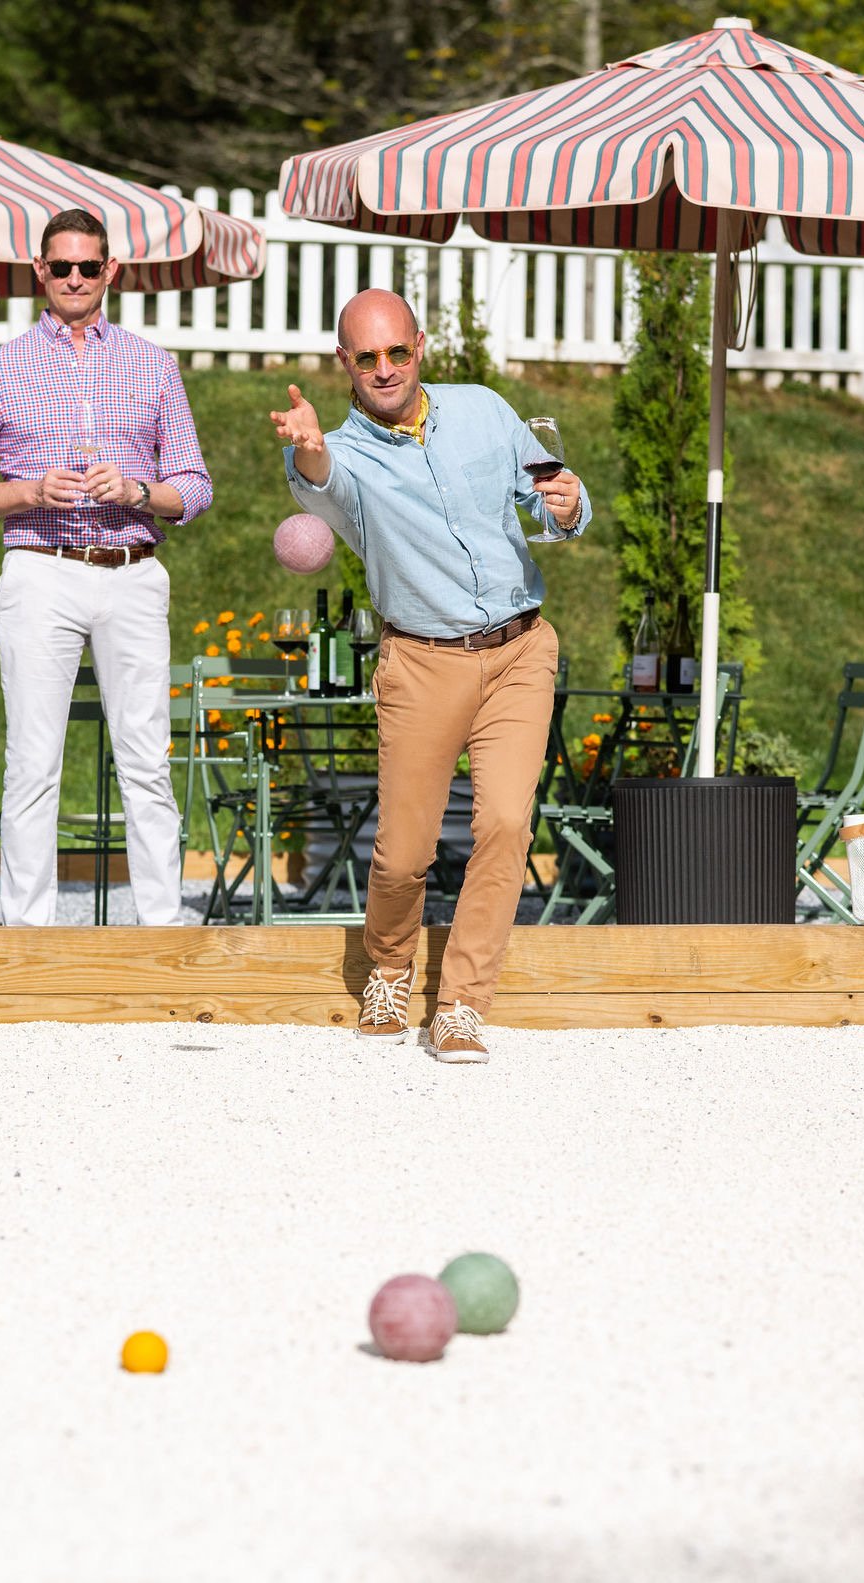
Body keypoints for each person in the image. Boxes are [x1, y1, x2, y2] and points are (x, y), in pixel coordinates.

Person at [271, 288, 588, 1063]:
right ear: (344, 362)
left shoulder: (484, 409)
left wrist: (569, 506)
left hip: (520, 649)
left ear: (420, 345)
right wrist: (309, 445)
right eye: (366, 357)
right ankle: (387, 968)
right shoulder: (338, 453)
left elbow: (545, 501)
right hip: (421, 662)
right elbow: (321, 482)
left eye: (397, 352)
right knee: (405, 850)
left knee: (508, 824)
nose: (385, 369)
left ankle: (462, 1004)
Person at [0, 209, 211, 928]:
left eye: (86, 268)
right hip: (40, 567)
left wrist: (139, 491)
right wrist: (28, 491)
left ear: (110, 272)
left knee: (147, 757)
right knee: (33, 758)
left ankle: (161, 924)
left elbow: (196, 485)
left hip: (133, 565)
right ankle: (28, 931)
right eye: (59, 267)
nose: (73, 280)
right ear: (40, 271)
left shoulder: (154, 365)